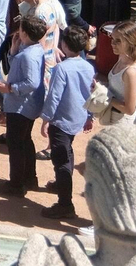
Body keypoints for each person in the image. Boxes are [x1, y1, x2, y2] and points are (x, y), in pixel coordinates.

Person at [40, 24, 94, 219]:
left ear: (65, 44)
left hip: (61, 119)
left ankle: (65, 204)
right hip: (77, 118)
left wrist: (46, 119)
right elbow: (91, 94)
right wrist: (90, 116)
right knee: (68, 152)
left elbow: (54, 96)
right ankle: (61, 185)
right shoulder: (88, 66)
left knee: (61, 158)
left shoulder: (61, 69)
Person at [0, 13, 49, 196]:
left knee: (16, 144)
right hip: (27, 106)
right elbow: (18, 68)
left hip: (21, 107)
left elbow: (31, 82)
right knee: (25, 141)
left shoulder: (28, 55)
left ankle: (16, 184)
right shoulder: (32, 50)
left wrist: (10, 88)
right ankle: (29, 178)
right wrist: (13, 51)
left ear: (25, 33)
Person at [105, 20, 136, 124]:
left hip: (122, 123)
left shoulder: (131, 73)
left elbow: (129, 109)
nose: (112, 43)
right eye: (112, 39)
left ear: (130, 42)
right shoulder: (121, 59)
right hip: (113, 118)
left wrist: (105, 97)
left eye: (118, 41)